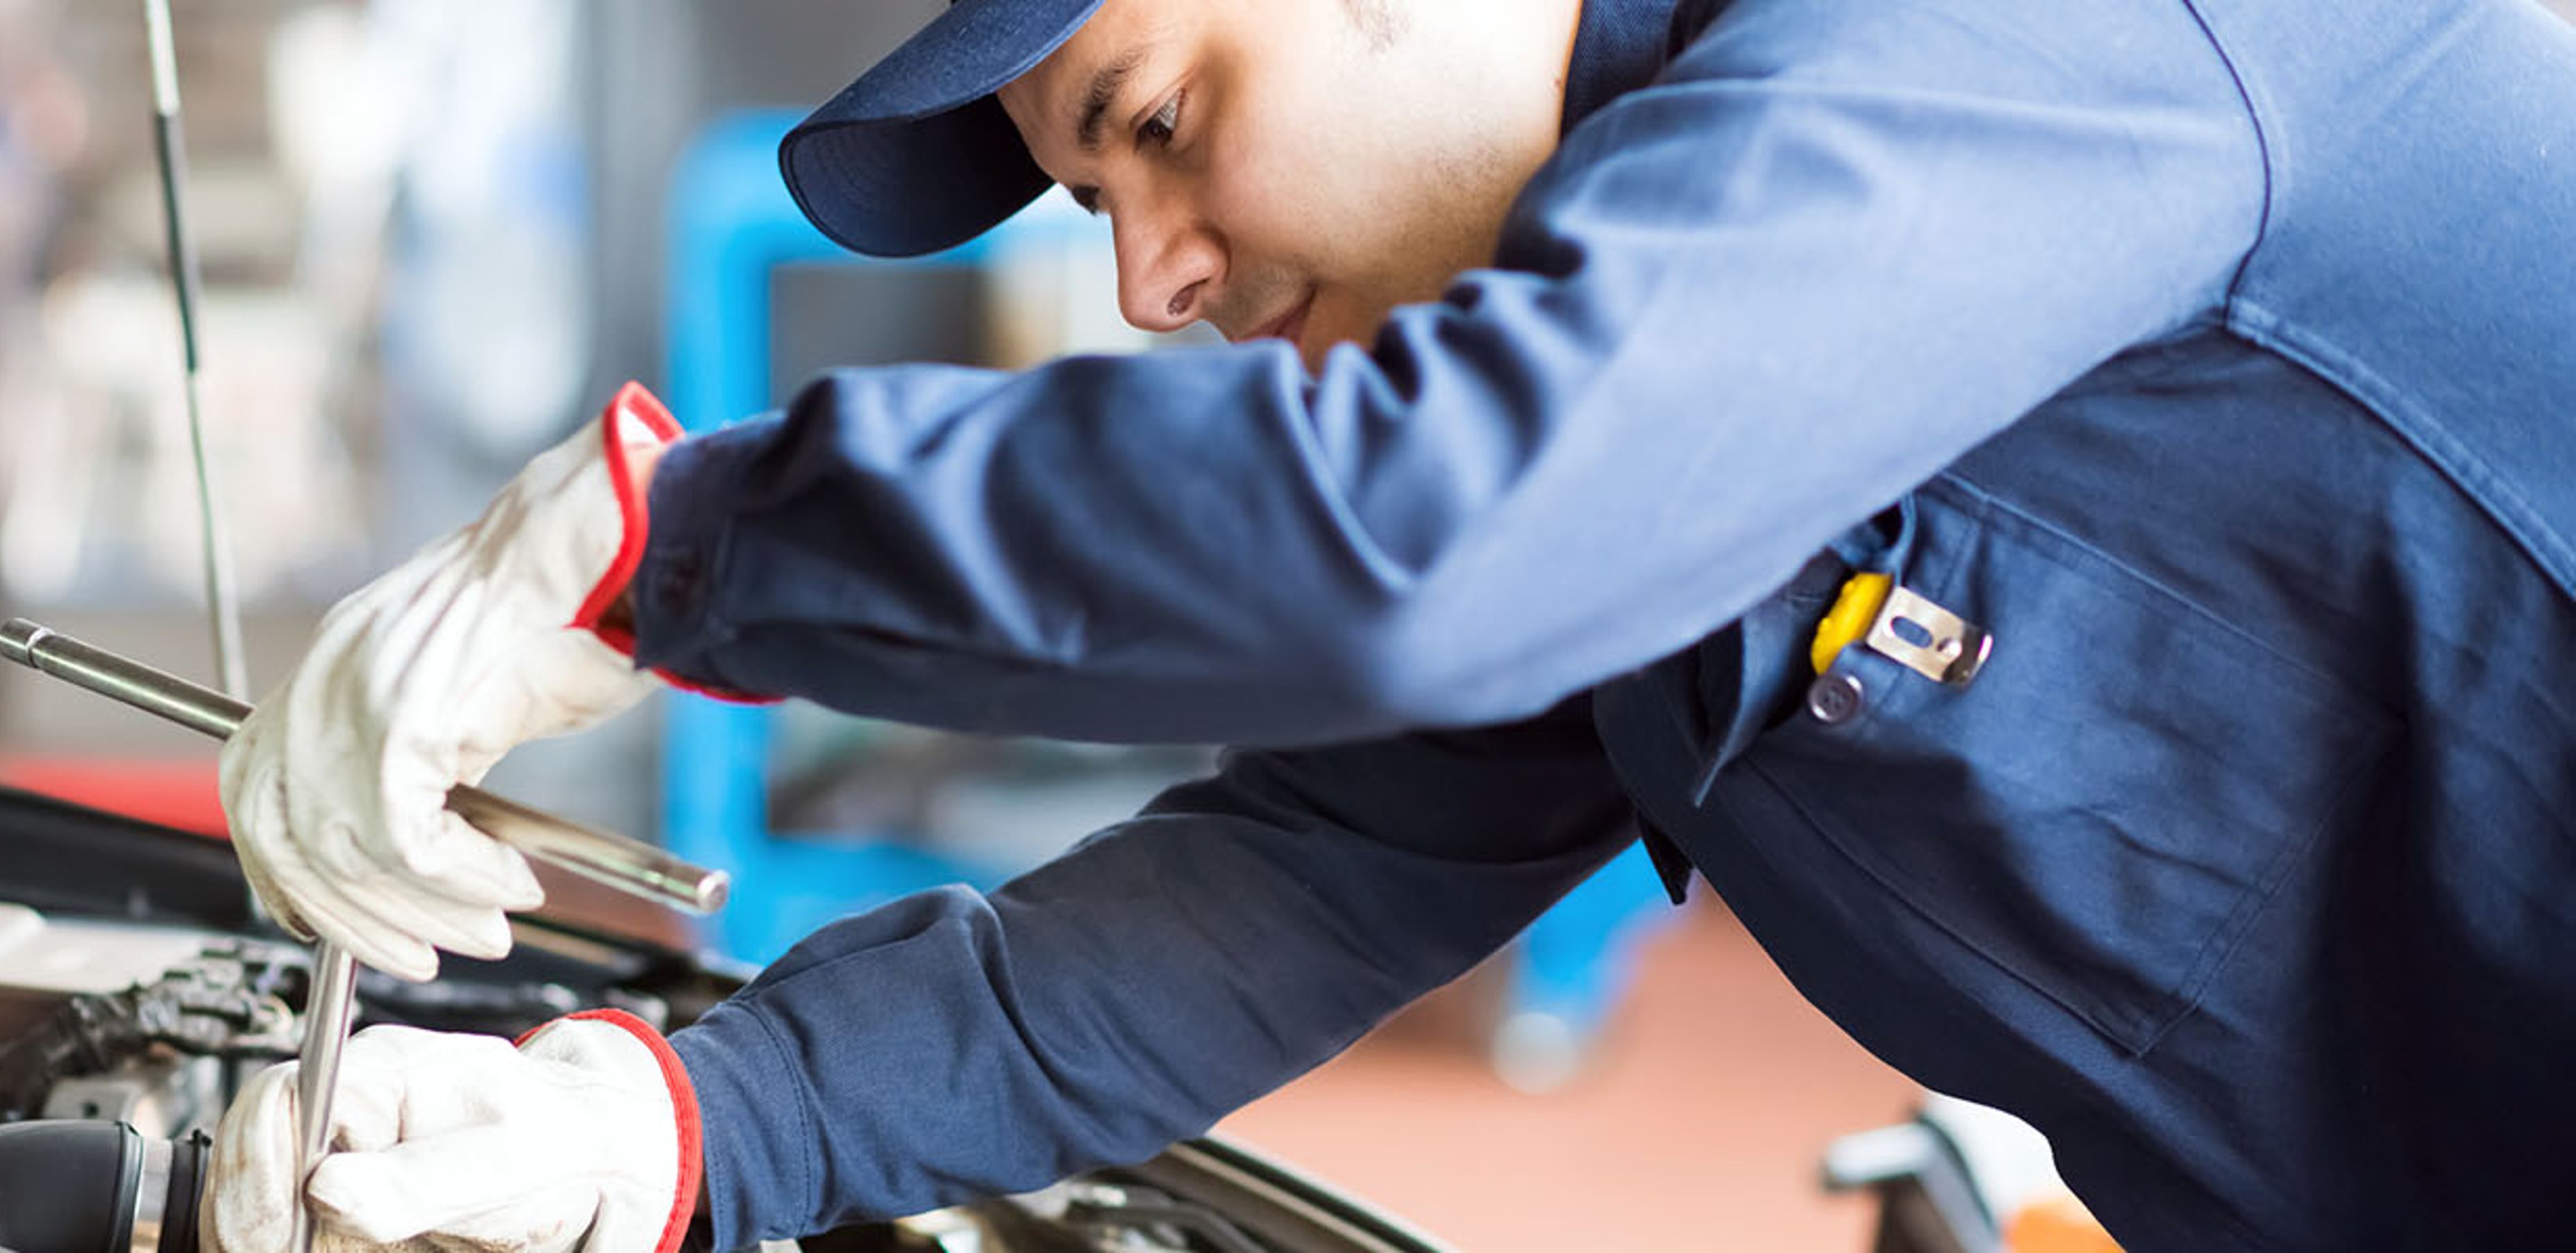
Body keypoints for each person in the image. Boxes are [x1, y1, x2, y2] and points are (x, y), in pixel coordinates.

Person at [197, 0, 2576, 1246]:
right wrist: (669, 1124)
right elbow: (1291, 888)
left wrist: (675, 547)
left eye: (1149, 119)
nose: (1146, 281)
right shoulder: (1651, 334)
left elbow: (1439, 539)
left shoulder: (2013, 38)